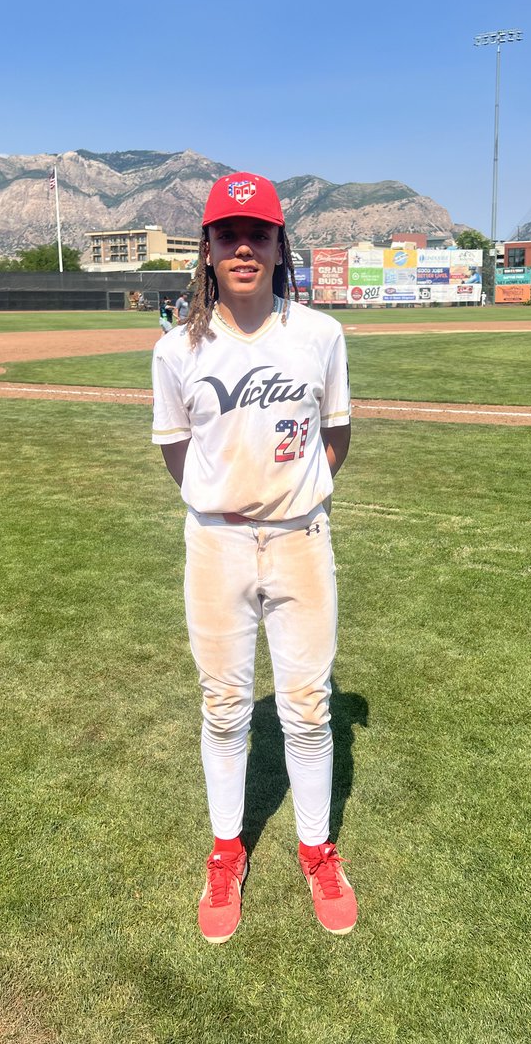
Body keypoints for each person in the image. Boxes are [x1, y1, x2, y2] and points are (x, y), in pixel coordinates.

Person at [151, 172, 355, 943]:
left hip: (302, 540)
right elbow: (175, 447)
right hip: (216, 545)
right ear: (206, 248)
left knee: (307, 707)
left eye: (258, 233)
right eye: (228, 233)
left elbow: (336, 434)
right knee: (225, 705)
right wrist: (225, 501)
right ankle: (226, 850)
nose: (243, 246)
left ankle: (316, 850)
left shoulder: (320, 336)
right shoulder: (178, 349)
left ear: (279, 246)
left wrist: (292, 497)